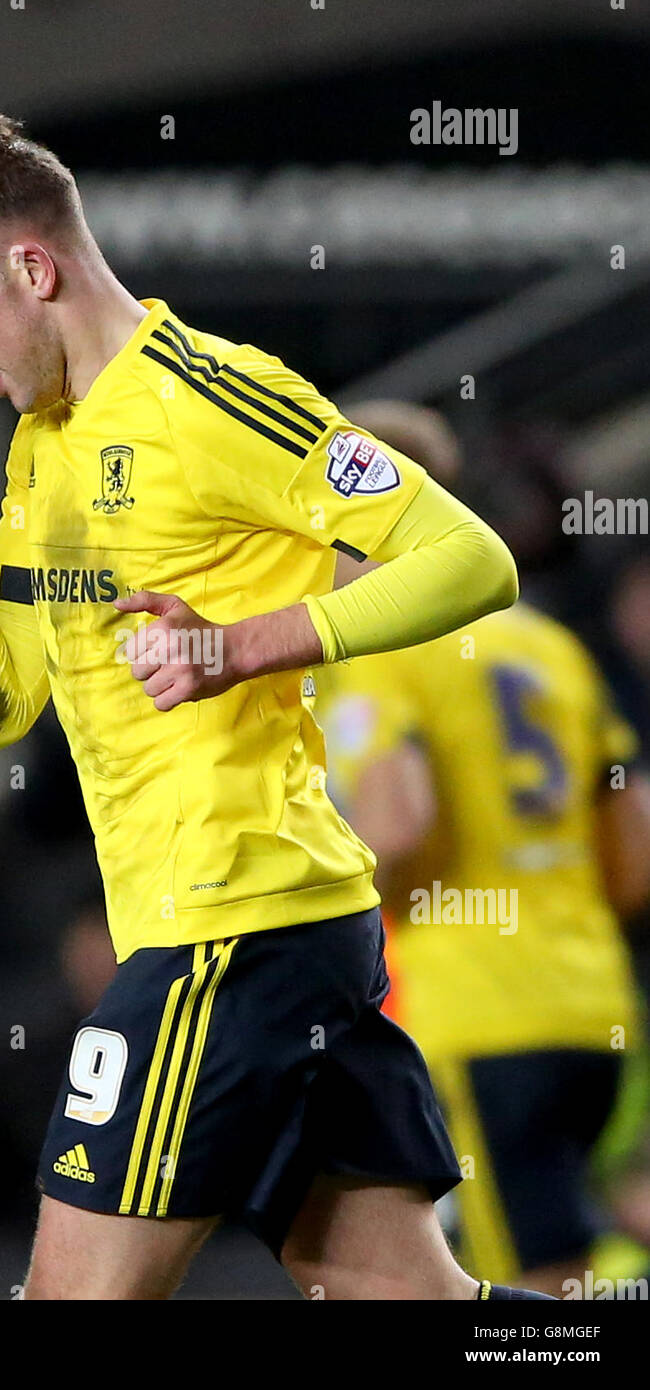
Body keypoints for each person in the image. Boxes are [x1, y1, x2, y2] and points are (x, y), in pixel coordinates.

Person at [0, 100, 542, 1301]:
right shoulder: (38, 449)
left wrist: (242, 646)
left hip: (227, 927)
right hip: (269, 932)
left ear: (32, 266)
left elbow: (470, 558)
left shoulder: (215, 398)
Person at [317, 401, 650, 1297]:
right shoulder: (552, 646)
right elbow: (635, 859)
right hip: (592, 1012)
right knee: (560, 1269)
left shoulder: (380, 645)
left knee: (513, 1292)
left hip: (473, 1016)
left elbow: (393, 825)